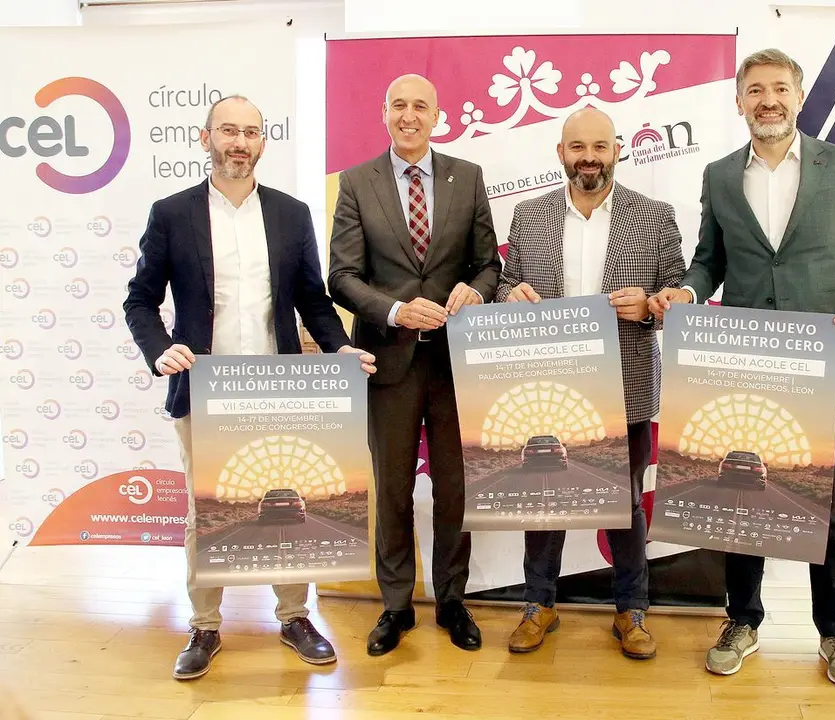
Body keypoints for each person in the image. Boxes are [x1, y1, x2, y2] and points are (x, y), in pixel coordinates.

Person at [648, 49, 835, 685]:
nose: (768, 100)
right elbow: (709, 261)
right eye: (755, 89)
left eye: (780, 89)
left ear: (798, 96)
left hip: (822, 363)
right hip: (742, 361)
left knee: (829, 507)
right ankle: (743, 619)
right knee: (743, 501)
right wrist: (685, 288)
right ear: (739, 101)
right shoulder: (719, 175)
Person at [123, 95, 377, 681]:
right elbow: (140, 298)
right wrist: (160, 350)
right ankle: (204, 627)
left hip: (280, 387)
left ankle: (293, 616)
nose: (240, 142)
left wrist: (338, 348)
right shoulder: (171, 213)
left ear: (264, 141)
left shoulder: (291, 214)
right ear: (206, 137)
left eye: (251, 132)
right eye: (229, 131)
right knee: (203, 513)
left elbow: (313, 300)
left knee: (290, 510)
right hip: (202, 387)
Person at [495, 107, 686, 659]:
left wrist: (651, 307)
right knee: (545, 497)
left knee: (626, 503)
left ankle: (631, 611)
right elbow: (509, 281)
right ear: (560, 152)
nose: (589, 157)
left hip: (624, 383)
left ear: (617, 150)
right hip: (547, 388)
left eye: (599, 146)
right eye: (577, 146)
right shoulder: (529, 217)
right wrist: (510, 294)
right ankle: (539, 604)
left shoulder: (653, 216)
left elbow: (675, 291)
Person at [327, 73, 502, 656]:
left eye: (420, 106)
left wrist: (475, 291)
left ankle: (453, 600)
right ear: (384, 113)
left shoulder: (468, 177)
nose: (409, 115)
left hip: (457, 364)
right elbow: (342, 276)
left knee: (455, 490)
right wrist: (396, 311)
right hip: (389, 362)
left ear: (436, 115)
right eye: (398, 104)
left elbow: (487, 264)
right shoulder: (357, 182)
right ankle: (396, 606)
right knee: (394, 490)